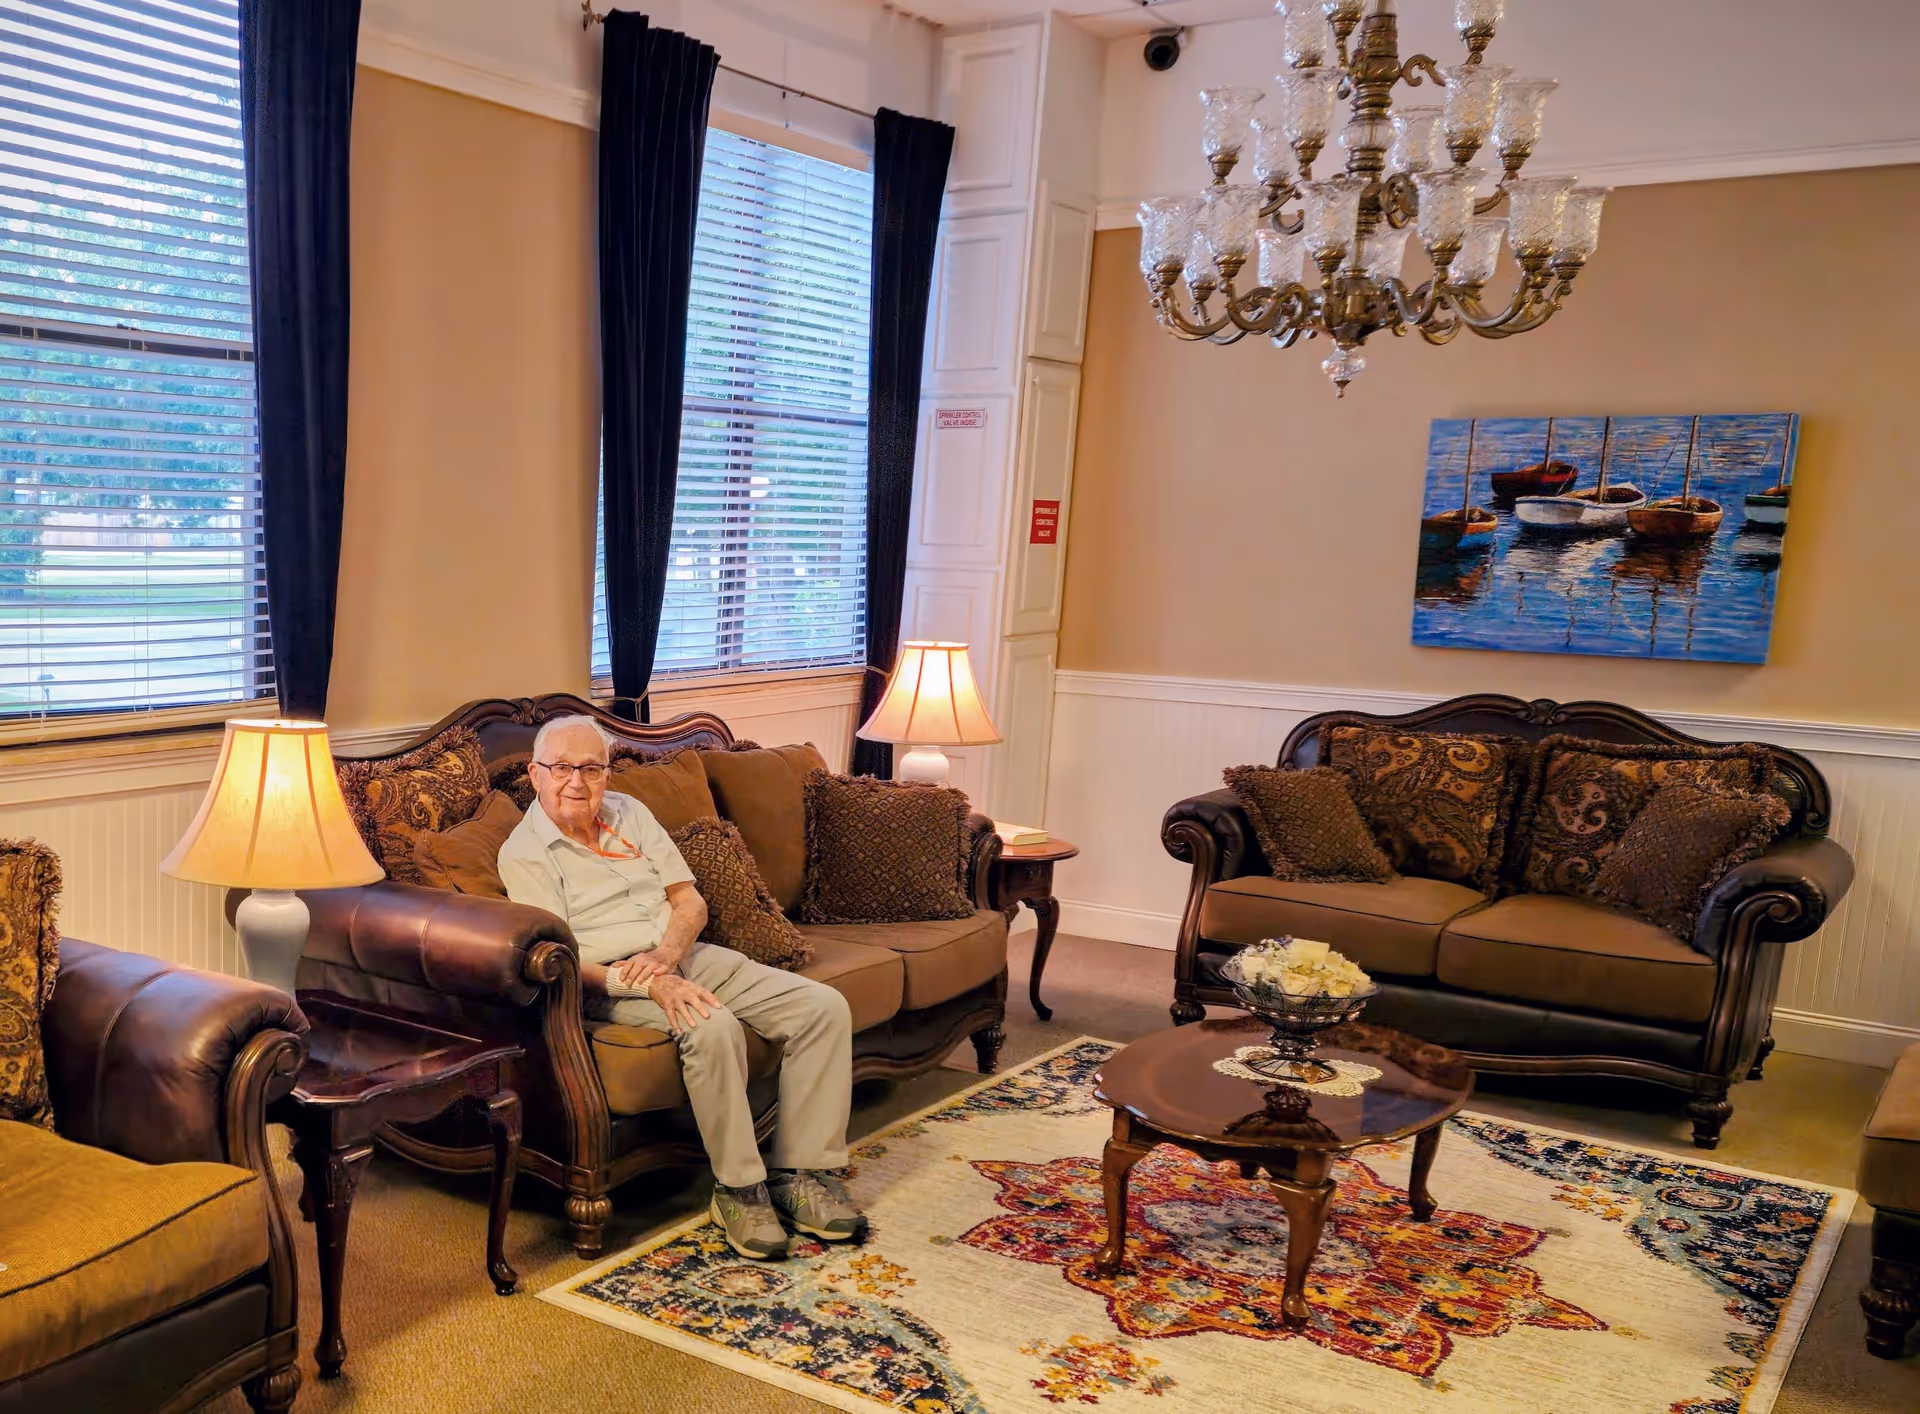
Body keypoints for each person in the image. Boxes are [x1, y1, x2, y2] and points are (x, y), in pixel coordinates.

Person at [496, 714, 862, 1259]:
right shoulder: (524, 854)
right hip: (609, 983)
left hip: (682, 955)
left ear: (608, 773)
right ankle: (738, 1189)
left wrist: (669, 956)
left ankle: (800, 1174)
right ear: (535, 774)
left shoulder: (633, 815)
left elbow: (689, 901)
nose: (577, 781)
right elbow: (562, 957)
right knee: (708, 1024)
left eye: (592, 768)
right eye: (562, 768)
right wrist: (651, 984)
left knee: (823, 1008)